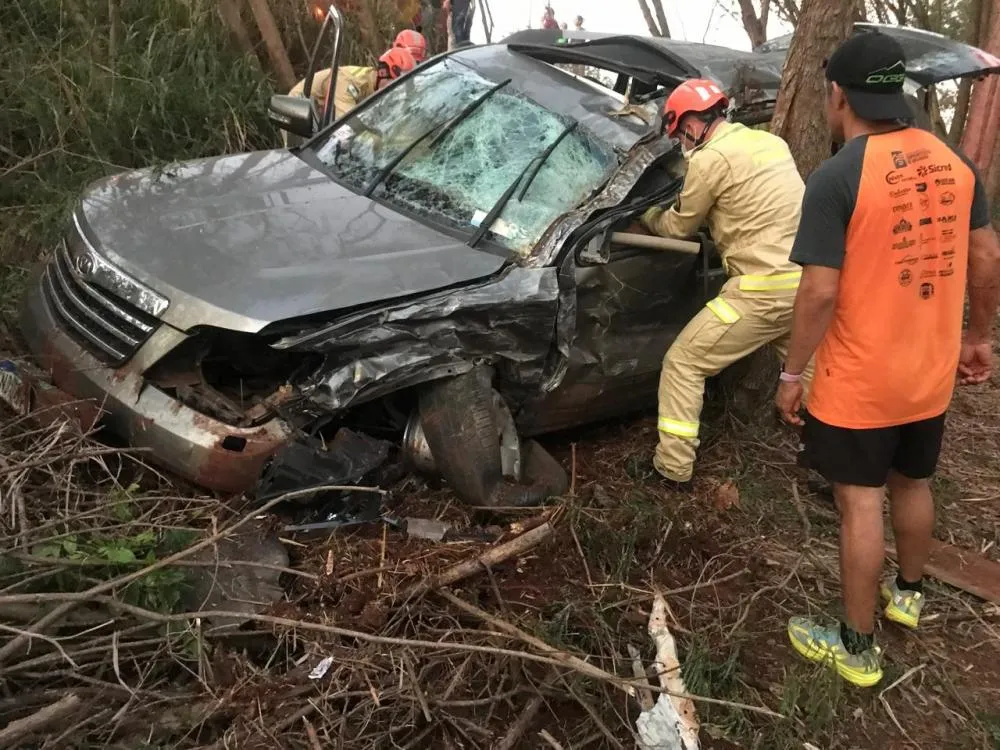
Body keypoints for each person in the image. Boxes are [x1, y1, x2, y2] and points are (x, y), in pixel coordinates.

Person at [776, 31, 1000, 688]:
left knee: (859, 502)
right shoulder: (958, 167)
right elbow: (986, 258)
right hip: (927, 376)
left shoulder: (839, 176)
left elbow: (818, 290)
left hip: (861, 382)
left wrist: (792, 374)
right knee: (914, 484)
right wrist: (977, 336)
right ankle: (907, 597)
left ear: (838, 95)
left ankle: (856, 645)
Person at [641, 78, 812, 487]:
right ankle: (838, 466)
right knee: (816, 380)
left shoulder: (709, 160)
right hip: (806, 289)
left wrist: (646, 216)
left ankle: (672, 470)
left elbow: (678, 227)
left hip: (759, 292)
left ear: (691, 125)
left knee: (684, 363)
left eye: (680, 133)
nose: (682, 141)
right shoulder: (773, 144)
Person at [287, 47, 416, 123]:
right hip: (297, 110)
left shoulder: (372, 86)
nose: (396, 91)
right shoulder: (348, 82)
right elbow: (348, 125)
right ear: (383, 72)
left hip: (323, 115)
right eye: (394, 84)